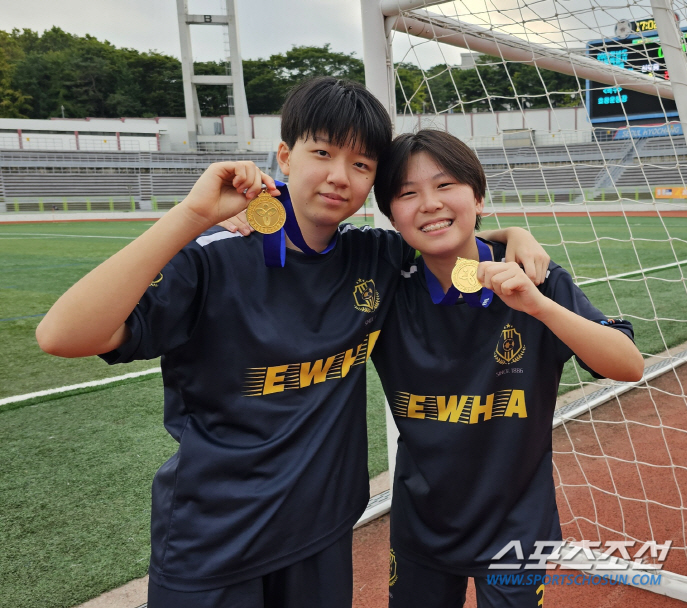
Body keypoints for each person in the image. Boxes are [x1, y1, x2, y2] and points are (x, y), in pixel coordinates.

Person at [35, 78, 547, 608]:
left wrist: (514, 237)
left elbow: (449, 236)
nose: (337, 176)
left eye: (361, 164)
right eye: (322, 152)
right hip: (214, 547)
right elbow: (61, 335)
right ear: (285, 155)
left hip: (321, 538)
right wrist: (191, 218)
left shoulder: (374, 257)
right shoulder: (216, 257)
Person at [369, 129, 644, 608]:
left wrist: (539, 307)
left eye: (445, 185)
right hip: (422, 526)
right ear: (392, 214)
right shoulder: (386, 290)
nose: (429, 203)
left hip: (515, 530)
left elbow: (628, 365)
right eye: (407, 193)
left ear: (478, 197)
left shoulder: (536, 280)